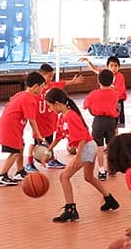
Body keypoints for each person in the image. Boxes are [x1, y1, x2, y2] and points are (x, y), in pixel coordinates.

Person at [44, 88, 119, 222]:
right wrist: (48, 150)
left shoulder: (71, 116)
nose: (50, 109)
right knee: (89, 177)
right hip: (89, 146)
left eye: (50, 106)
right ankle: (110, 200)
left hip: (86, 147)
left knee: (64, 176)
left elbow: (81, 138)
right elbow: (59, 136)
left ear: (56, 103)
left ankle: (70, 209)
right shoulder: (63, 117)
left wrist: (78, 157)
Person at [25, 63, 83, 172]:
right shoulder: (35, 90)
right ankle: (29, 163)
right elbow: (25, 96)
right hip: (39, 121)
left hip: (50, 121)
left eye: (52, 76)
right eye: (49, 76)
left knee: (50, 140)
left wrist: (74, 81)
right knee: (35, 143)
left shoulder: (53, 86)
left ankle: (51, 159)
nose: (51, 78)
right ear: (41, 75)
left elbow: (64, 83)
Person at [0, 72, 47, 187]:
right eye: (42, 86)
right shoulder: (29, 99)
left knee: (20, 146)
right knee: (14, 151)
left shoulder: (21, 94)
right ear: (35, 87)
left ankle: (20, 171)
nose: (43, 89)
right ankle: (2, 176)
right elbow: (32, 120)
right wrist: (39, 135)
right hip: (10, 127)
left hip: (9, 125)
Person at [83, 69, 121, 181]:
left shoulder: (93, 94)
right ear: (113, 80)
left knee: (99, 147)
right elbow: (116, 107)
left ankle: (101, 171)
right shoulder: (115, 94)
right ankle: (112, 168)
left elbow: (85, 105)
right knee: (110, 146)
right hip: (111, 121)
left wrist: (93, 109)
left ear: (99, 80)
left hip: (98, 121)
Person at [80, 55, 128, 128]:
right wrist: (88, 61)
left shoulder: (120, 76)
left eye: (116, 66)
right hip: (108, 98)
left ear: (119, 67)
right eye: (111, 66)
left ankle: (115, 132)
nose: (114, 68)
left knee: (116, 122)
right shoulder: (104, 73)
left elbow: (120, 90)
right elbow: (94, 69)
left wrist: (110, 88)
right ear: (107, 66)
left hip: (117, 100)